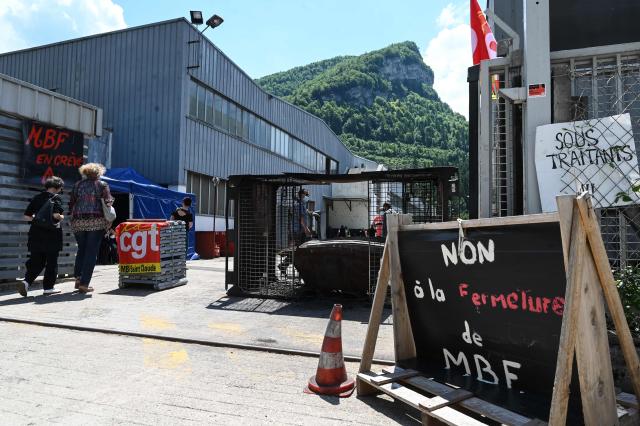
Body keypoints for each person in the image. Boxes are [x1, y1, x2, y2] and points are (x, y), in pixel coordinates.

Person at [69, 163, 113, 293]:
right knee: (91, 252)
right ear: (99, 173)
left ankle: (78, 278)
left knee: (81, 250)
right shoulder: (102, 185)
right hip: (96, 221)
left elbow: (71, 203)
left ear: (85, 173)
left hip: (78, 222)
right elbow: (108, 202)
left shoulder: (77, 185)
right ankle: (84, 283)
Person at [18, 176, 65, 297]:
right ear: (57, 188)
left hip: (35, 234)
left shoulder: (36, 198)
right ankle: (48, 288)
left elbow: (27, 216)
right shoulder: (56, 198)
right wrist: (62, 217)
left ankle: (26, 282)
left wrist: (38, 220)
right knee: (51, 262)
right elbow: (56, 215)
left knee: (36, 261)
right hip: (51, 235)